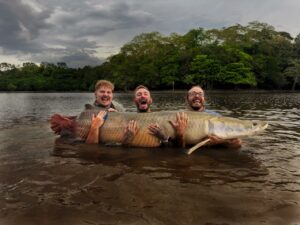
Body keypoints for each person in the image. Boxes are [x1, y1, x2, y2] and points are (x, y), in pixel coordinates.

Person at [51, 80, 123, 142]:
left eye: (109, 92)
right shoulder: (88, 110)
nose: (105, 94)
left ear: (112, 95)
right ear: (95, 94)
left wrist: (118, 116)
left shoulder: (119, 107)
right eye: (102, 92)